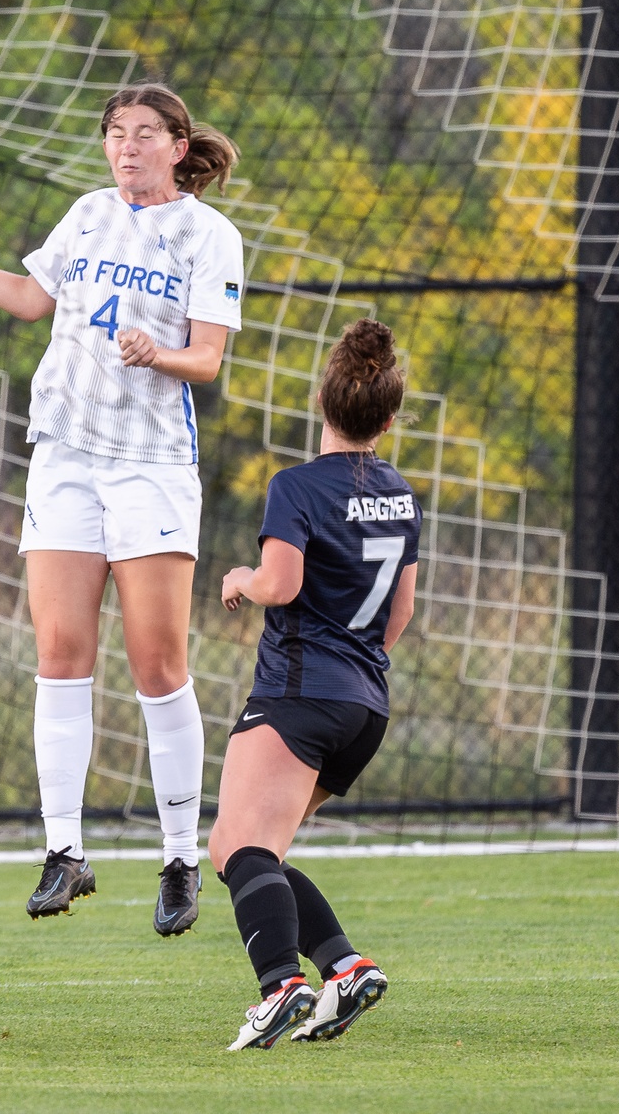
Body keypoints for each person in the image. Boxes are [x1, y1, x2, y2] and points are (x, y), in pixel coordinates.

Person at [0, 82, 243, 936]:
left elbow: (209, 360)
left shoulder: (208, 233)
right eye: (116, 133)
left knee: (157, 662)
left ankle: (179, 856)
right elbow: (28, 298)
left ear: (176, 144)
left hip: (151, 465)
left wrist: (159, 352)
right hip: (64, 456)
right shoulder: (86, 214)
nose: (127, 147)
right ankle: (64, 850)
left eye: (145, 133)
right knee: (59, 650)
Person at [209, 318, 421, 1049]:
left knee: (235, 848)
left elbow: (282, 580)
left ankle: (279, 986)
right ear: (387, 419)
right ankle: (345, 966)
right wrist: (356, 663)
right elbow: (402, 609)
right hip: (366, 706)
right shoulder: (401, 494)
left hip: (300, 696)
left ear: (322, 401)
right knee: (260, 849)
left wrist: (243, 577)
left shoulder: (295, 486)